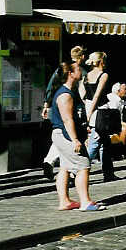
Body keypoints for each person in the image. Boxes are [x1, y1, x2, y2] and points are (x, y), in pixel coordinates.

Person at [49, 62, 104, 211]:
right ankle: (85, 202)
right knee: (83, 165)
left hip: (62, 134)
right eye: (78, 69)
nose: (82, 72)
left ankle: (64, 201)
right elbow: (67, 119)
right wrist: (74, 139)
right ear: (70, 74)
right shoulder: (65, 95)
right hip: (66, 135)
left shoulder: (71, 91)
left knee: (65, 167)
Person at [40, 45, 87, 180]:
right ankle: (70, 170)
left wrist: (46, 104)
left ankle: (51, 162)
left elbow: (50, 86)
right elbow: (51, 86)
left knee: (62, 134)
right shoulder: (72, 70)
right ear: (82, 56)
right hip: (64, 104)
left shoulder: (69, 70)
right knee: (65, 132)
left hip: (61, 103)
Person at [83, 52, 112, 180]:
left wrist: (86, 110)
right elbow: (97, 95)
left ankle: (108, 172)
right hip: (100, 110)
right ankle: (79, 170)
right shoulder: (103, 75)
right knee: (96, 141)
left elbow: (83, 95)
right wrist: (89, 113)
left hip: (89, 107)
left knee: (105, 142)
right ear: (102, 61)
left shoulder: (86, 76)